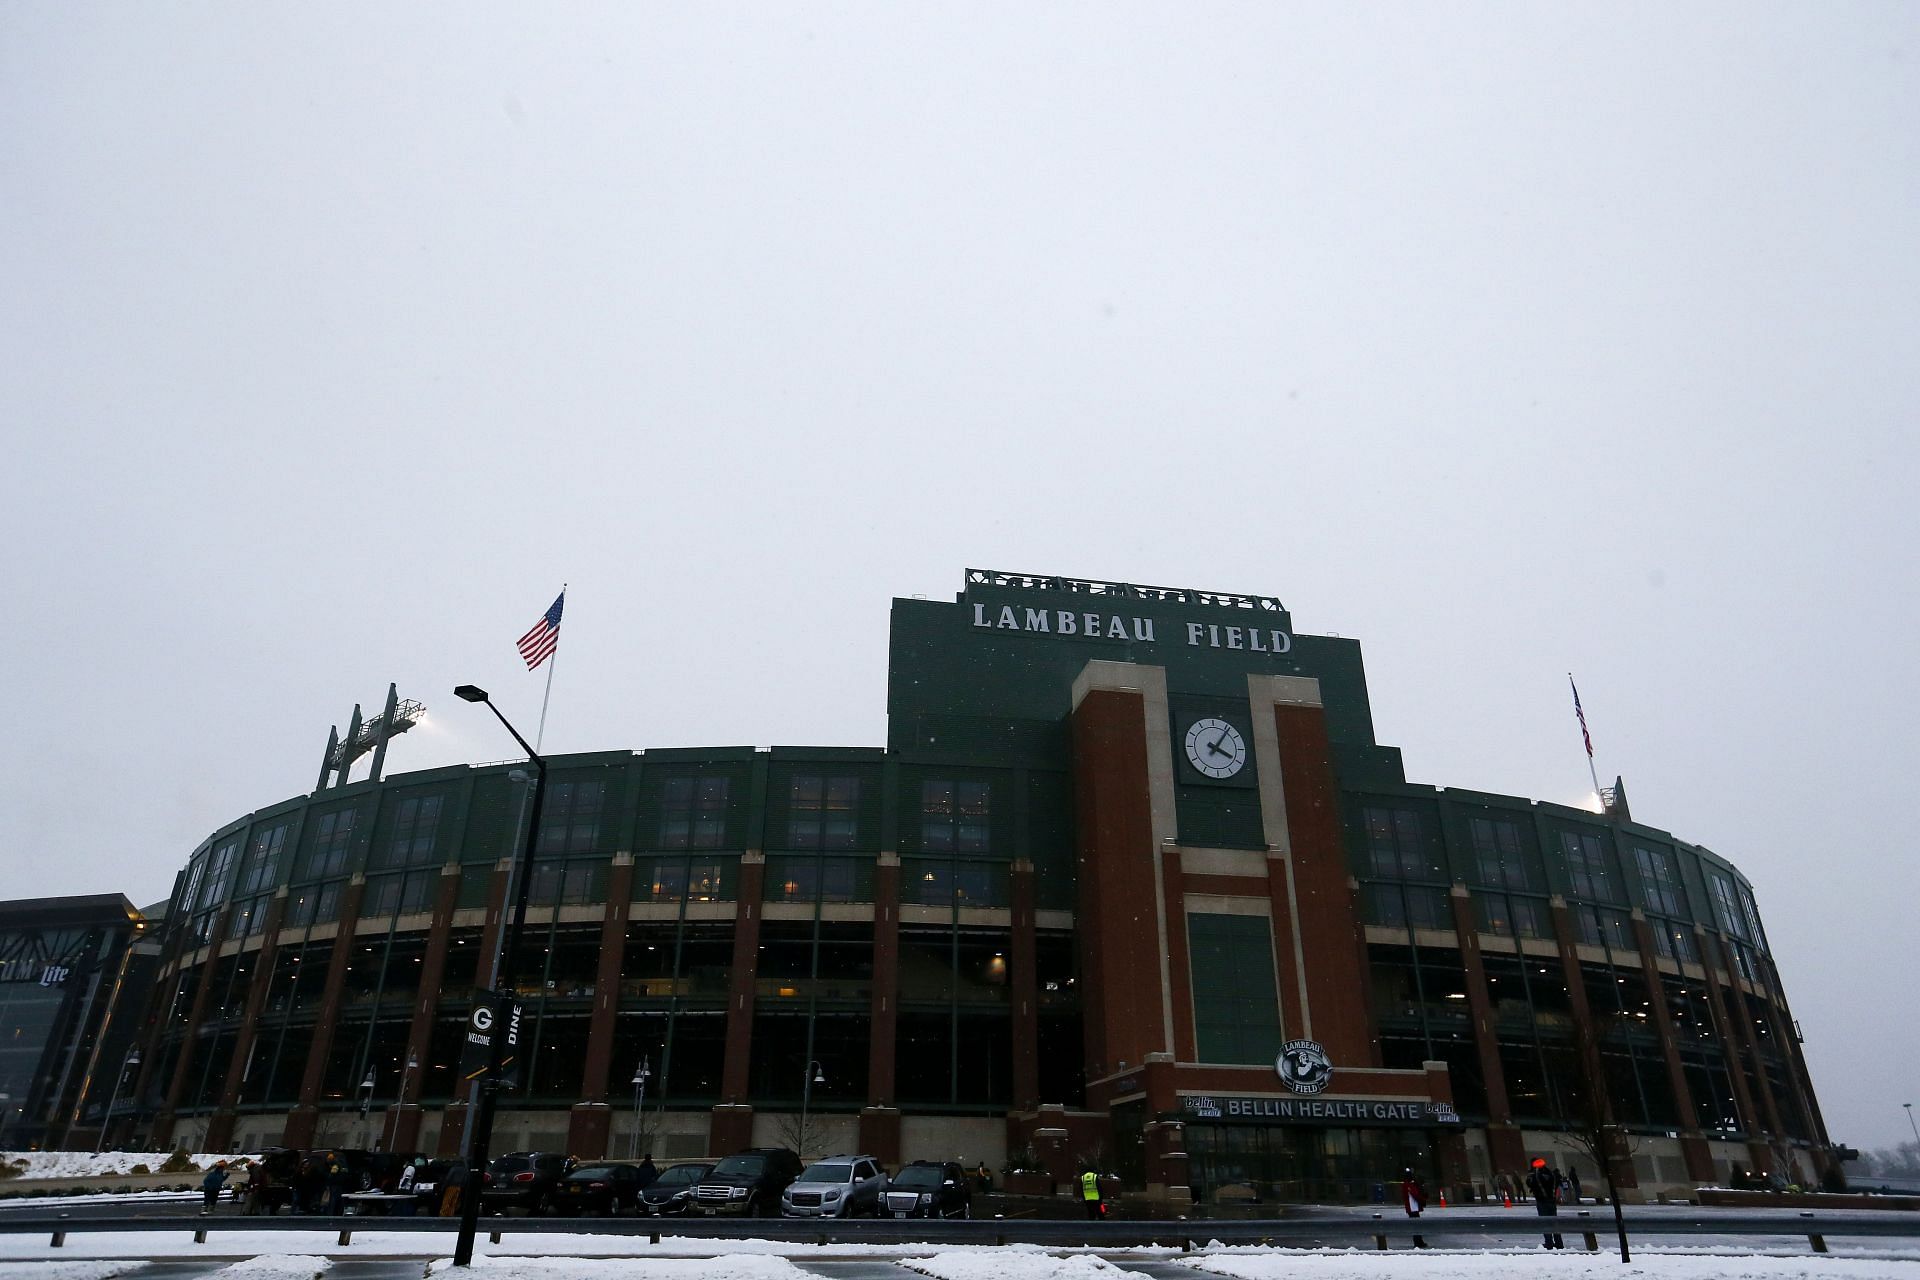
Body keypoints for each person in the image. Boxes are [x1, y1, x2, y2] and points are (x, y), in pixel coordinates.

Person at [1526, 1158, 1563, 1249]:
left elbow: (1530, 1183)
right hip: (1551, 1200)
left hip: (1542, 1201)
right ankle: (1559, 1243)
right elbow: (1557, 1181)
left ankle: (1549, 1243)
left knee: (1545, 1222)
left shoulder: (1535, 1175)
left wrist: (1532, 1175)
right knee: (1554, 1222)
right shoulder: (1550, 1173)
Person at [1400, 1168, 1429, 1249]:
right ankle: (1418, 1242)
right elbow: (1414, 1194)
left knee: (1416, 1225)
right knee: (1416, 1225)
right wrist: (1422, 1200)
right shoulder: (1408, 1184)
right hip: (1413, 1207)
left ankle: (1419, 1241)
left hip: (1412, 1207)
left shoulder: (1406, 1184)